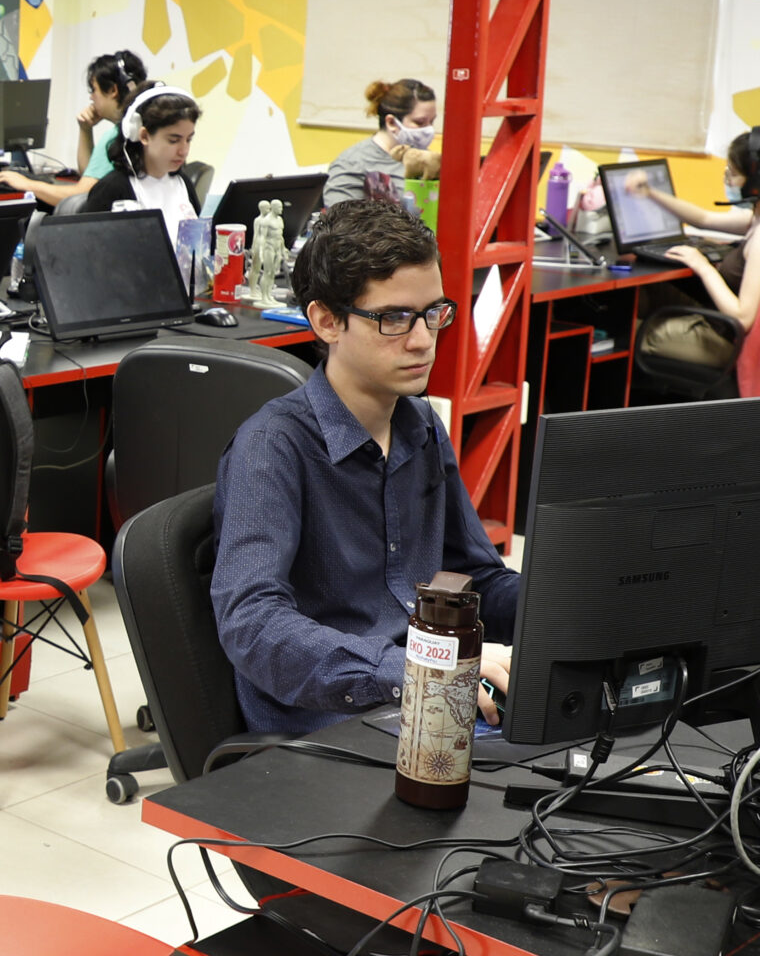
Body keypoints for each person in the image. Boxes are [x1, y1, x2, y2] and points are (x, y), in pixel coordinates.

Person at [211, 198, 515, 737]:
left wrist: (567, 608)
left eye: (433, 313)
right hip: (329, 717)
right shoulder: (272, 446)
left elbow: (477, 577)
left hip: (422, 688)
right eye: (394, 318)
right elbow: (252, 626)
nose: (423, 340)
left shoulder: (420, 425)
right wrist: (412, 668)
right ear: (327, 321)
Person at [620, 128, 760, 332]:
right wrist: (650, 193)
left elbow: (743, 318)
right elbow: (704, 219)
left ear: (758, 181)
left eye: (734, 174)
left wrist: (702, 266)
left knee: (632, 329)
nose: (729, 181)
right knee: (645, 294)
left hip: (726, 336)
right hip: (724, 323)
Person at [0, 50, 149, 205]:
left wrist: (27, 184)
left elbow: (81, 196)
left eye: (94, 90)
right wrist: (85, 129)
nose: (91, 97)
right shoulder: (146, 128)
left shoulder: (115, 138)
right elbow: (90, 176)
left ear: (112, 90)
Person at [83, 87, 203, 241]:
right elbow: (88, 248)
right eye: (173, 140)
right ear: (144, 136)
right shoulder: (113, 189)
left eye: (189, 139)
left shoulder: (183, 183)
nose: (184, 151)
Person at [322, 79, 438, 211]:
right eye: (420, 122)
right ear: (391, 123)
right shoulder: (352, 163)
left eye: (432, 121)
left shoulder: (425, 160)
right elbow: (341, 218)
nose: (429, 129)